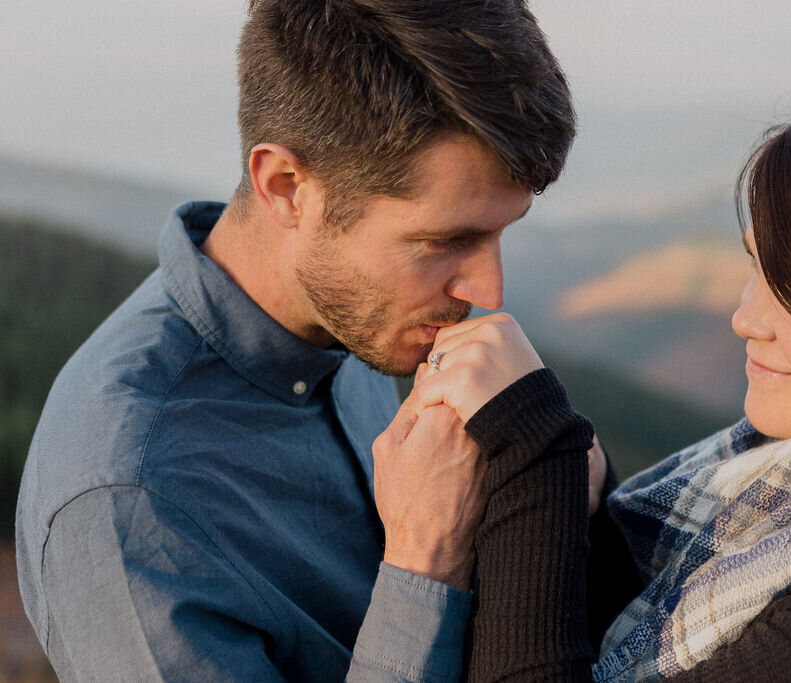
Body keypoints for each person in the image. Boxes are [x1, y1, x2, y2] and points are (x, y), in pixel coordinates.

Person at [383, 74, 791, 680]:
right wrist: (588, 518)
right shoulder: (789, 507)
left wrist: (536, 456)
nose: (747, 320)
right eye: (756, 268)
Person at [15, 1, 574, 680]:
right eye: (444, 241)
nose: (489, 289)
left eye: (499, 232)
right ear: (285, 187)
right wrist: (425, 560)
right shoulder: (127, 500)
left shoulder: (352, 317)